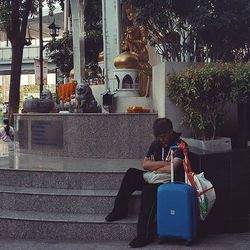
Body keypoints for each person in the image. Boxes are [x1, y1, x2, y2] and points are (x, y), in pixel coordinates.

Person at [105, 118, 185, 248]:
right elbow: (145, 164)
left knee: (149, 191)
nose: (161, 140)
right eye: (159, 137)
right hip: (153, 177)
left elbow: (173, 168)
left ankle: (144, 235)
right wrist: (163, 163)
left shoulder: (180, 144)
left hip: (169, 181)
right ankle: (120, 210)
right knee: (131, 173)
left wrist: (155, 166)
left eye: (164, 136)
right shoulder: (156, 143)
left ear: (170, 132)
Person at [121, 4, 152, 97]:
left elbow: (144, 41)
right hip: (130, 52)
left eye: (131, 13)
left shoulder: (141, 27)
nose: (130, 15)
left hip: (139, 52)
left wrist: (132, 41)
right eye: (128, 14)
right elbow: (125, 44)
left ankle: (142, 91)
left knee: (142, 68)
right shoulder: (128, 28)